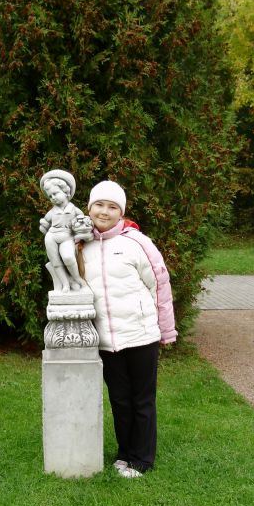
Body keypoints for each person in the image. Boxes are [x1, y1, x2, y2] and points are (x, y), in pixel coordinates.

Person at [80, 180, 178, 478]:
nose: (104, 211)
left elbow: (159, 285)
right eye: (99, 205)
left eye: (112, 207)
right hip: (106, 339)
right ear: (89, 208)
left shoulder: (138, 243)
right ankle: (124, 453)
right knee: (120, 400)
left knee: (142, 399)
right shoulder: (80, 244)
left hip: (140, 335)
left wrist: (167, 330)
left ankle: (142, 459)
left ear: (121, 212)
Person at [39, 169, 91, 292]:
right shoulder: (52, 212)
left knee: (68, 257)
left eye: (55, 193)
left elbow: (83, 223)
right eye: (50, 196)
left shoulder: (74, 210)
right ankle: (65, 283)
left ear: (66, 191)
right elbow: (44, 225)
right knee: (55, 262)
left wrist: (82, 229)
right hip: (51, 237)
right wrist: (43, 226)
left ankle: (77, 279)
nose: (53, 198)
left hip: (67, 237)